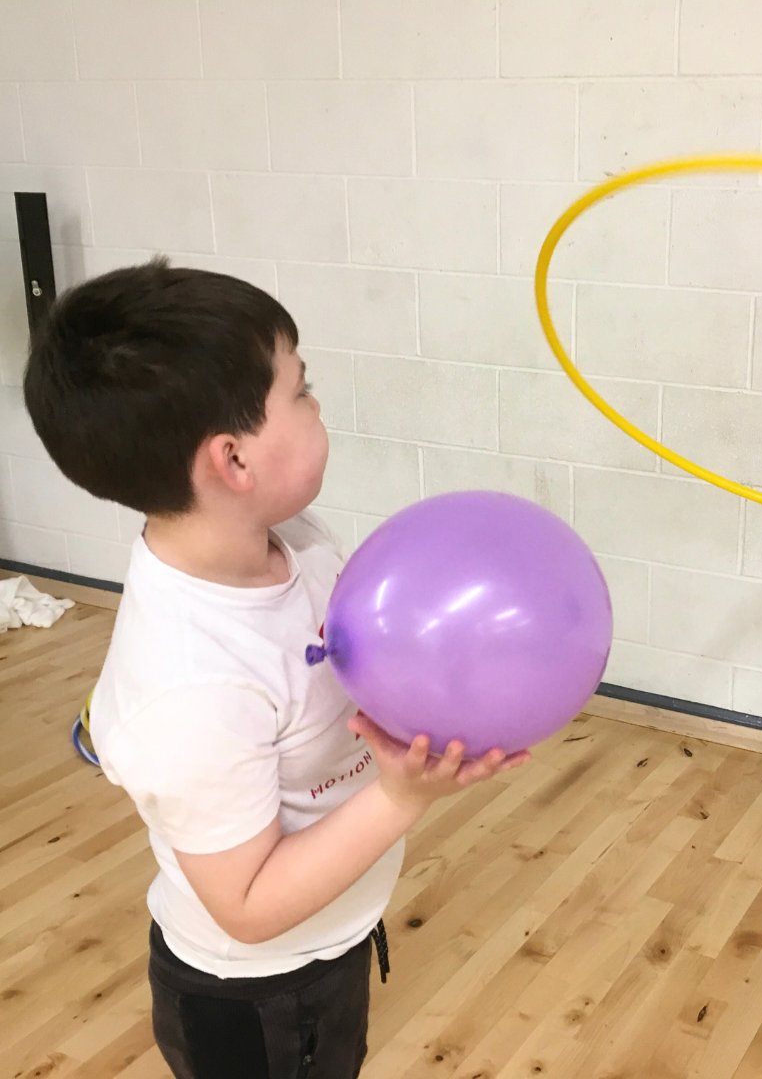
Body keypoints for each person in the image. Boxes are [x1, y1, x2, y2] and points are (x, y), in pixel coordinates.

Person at [23, 259, 529, 1078]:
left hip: (332, 935)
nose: (316, 402)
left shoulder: (290, 540)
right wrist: (403, 795)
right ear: (234, 461)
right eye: (301, 389)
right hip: (251, 995)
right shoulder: (191, 690)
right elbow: (250, 908)